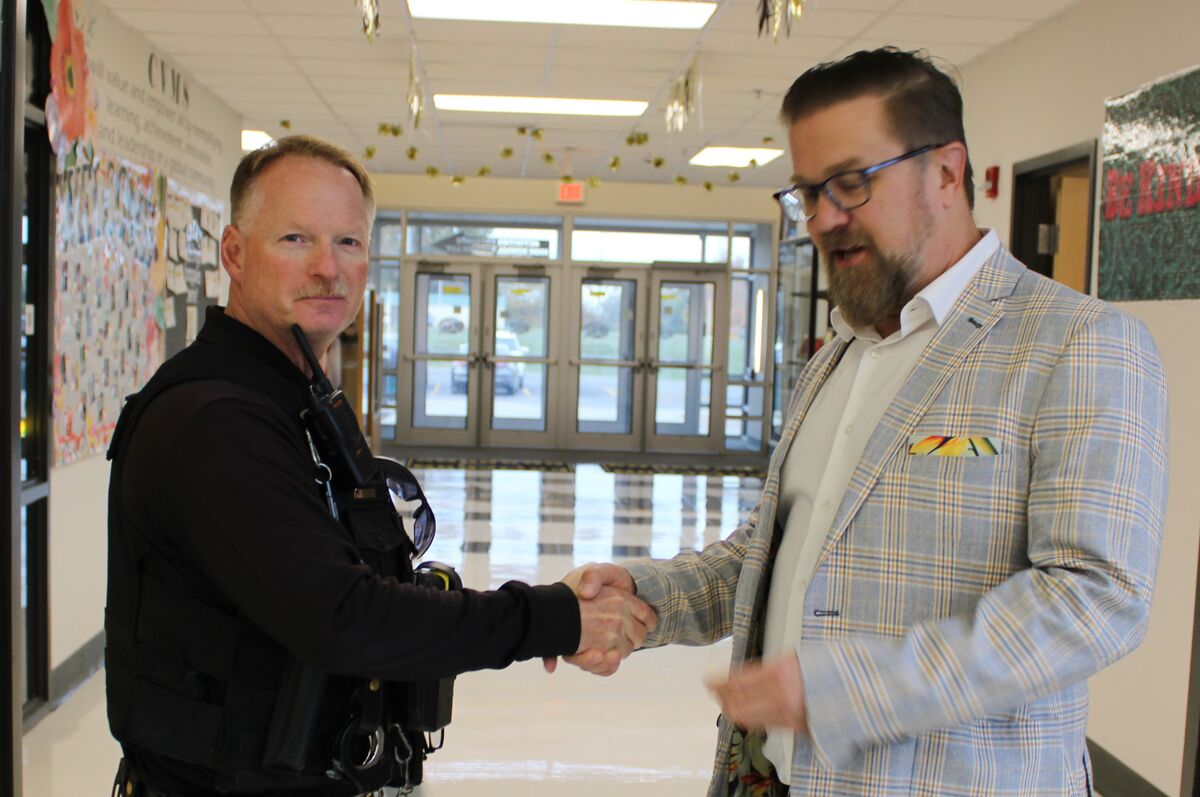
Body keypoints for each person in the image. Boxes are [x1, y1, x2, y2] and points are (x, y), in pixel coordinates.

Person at [554, 48, 1169, 796]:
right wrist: (649, 596)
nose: (823, 219)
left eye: (850, 183)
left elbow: (1093, 597)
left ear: (946, 172)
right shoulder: (840, 353)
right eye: (807, 193)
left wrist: (850, 689)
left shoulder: (1078, 343)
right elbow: (775, 552)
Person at [104, 134, 656, 796]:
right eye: (294, 240)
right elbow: (343, 615)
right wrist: (553, 617)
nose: (327, 268)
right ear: (234, 253)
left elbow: (347, 572)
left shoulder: (293, 398)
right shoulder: (216, 422)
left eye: (348, 242)